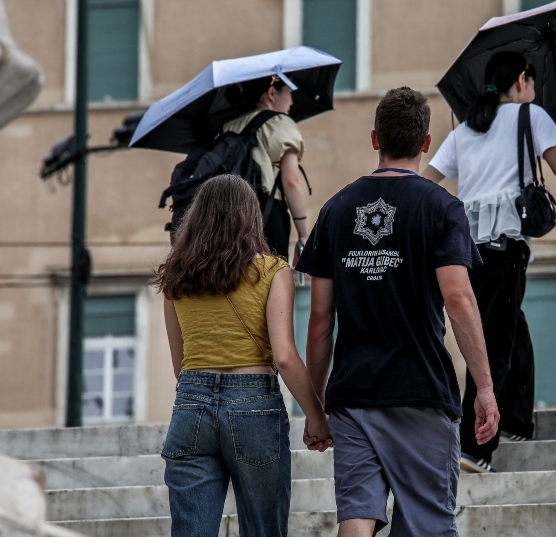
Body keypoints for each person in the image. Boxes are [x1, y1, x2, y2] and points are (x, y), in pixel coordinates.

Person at [297, 87, 499, 536]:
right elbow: (459, 299)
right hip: (421, 391)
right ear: (426, 143)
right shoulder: (442, 208)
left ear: (375, 139)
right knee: (425, 524)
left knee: (356, 514)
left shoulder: (336, 209)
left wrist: (316, 403)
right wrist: (484, 387)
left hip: (354, 394)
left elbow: (319, 317)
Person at [422, 51, 556, 473]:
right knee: (493, 338)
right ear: (523, 80)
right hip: (505, 243)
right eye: (532, 80)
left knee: (511, 324)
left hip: (464, 245)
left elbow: (426, 183)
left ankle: (515, 419)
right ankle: (475, 447)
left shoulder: (464, 130)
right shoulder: (530, 116)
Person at [153, 174, 330, 537]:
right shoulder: (272, 272)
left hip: (191, 404)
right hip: (254, 406)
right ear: (251, 217)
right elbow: (284, 357)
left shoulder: (176, 276)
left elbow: (180, 365)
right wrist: (317, 416)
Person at [224, 75, 312, 264]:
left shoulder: (229, 125)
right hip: (267, 215)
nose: (292, 102)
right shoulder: (280, 122)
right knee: (272, 280)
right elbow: (291, 181)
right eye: (289, 94)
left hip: (231, 217)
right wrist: (304, 234)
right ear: (272, 93)